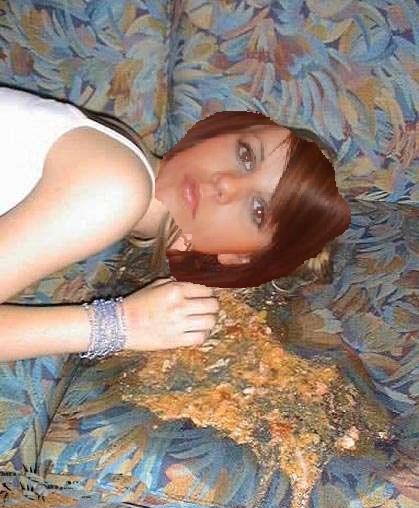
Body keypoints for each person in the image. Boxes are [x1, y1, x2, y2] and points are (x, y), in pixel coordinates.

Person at [0, 87, 350, 362]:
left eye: (258, 210)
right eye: (246, 155)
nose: (226, 183)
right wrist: (119, 324)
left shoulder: (123, 160)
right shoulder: (117, 186)